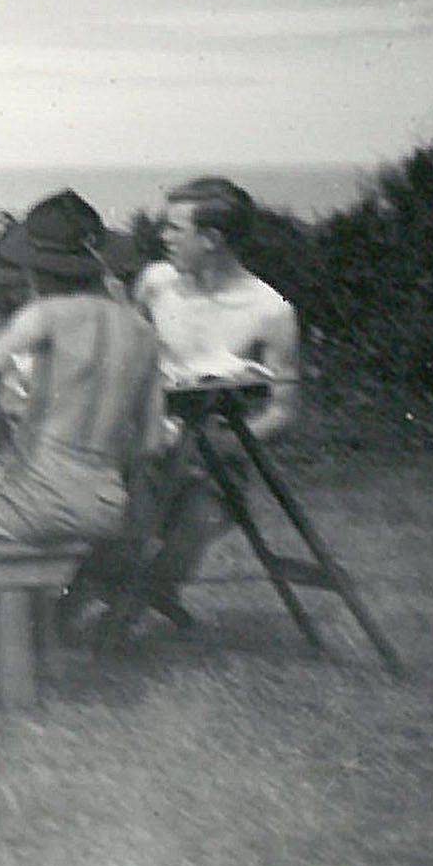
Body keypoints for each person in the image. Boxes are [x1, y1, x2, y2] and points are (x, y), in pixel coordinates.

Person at [0, 191, 168, 563]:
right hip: (106, 505)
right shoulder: (142, 330)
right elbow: (151, 442)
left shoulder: (45, 314)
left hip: (33, 494)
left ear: (34, 267)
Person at [126, 176, 302, 626]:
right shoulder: (156, 284)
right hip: (144, 443)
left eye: (174, 229)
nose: (163, 237)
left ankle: (138, 601)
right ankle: (85, 605)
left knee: (198, 517)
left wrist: (214, 446)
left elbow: (283, 410)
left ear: (211, 239)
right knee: (113, 514)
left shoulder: (269, 310)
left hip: (216, 460)